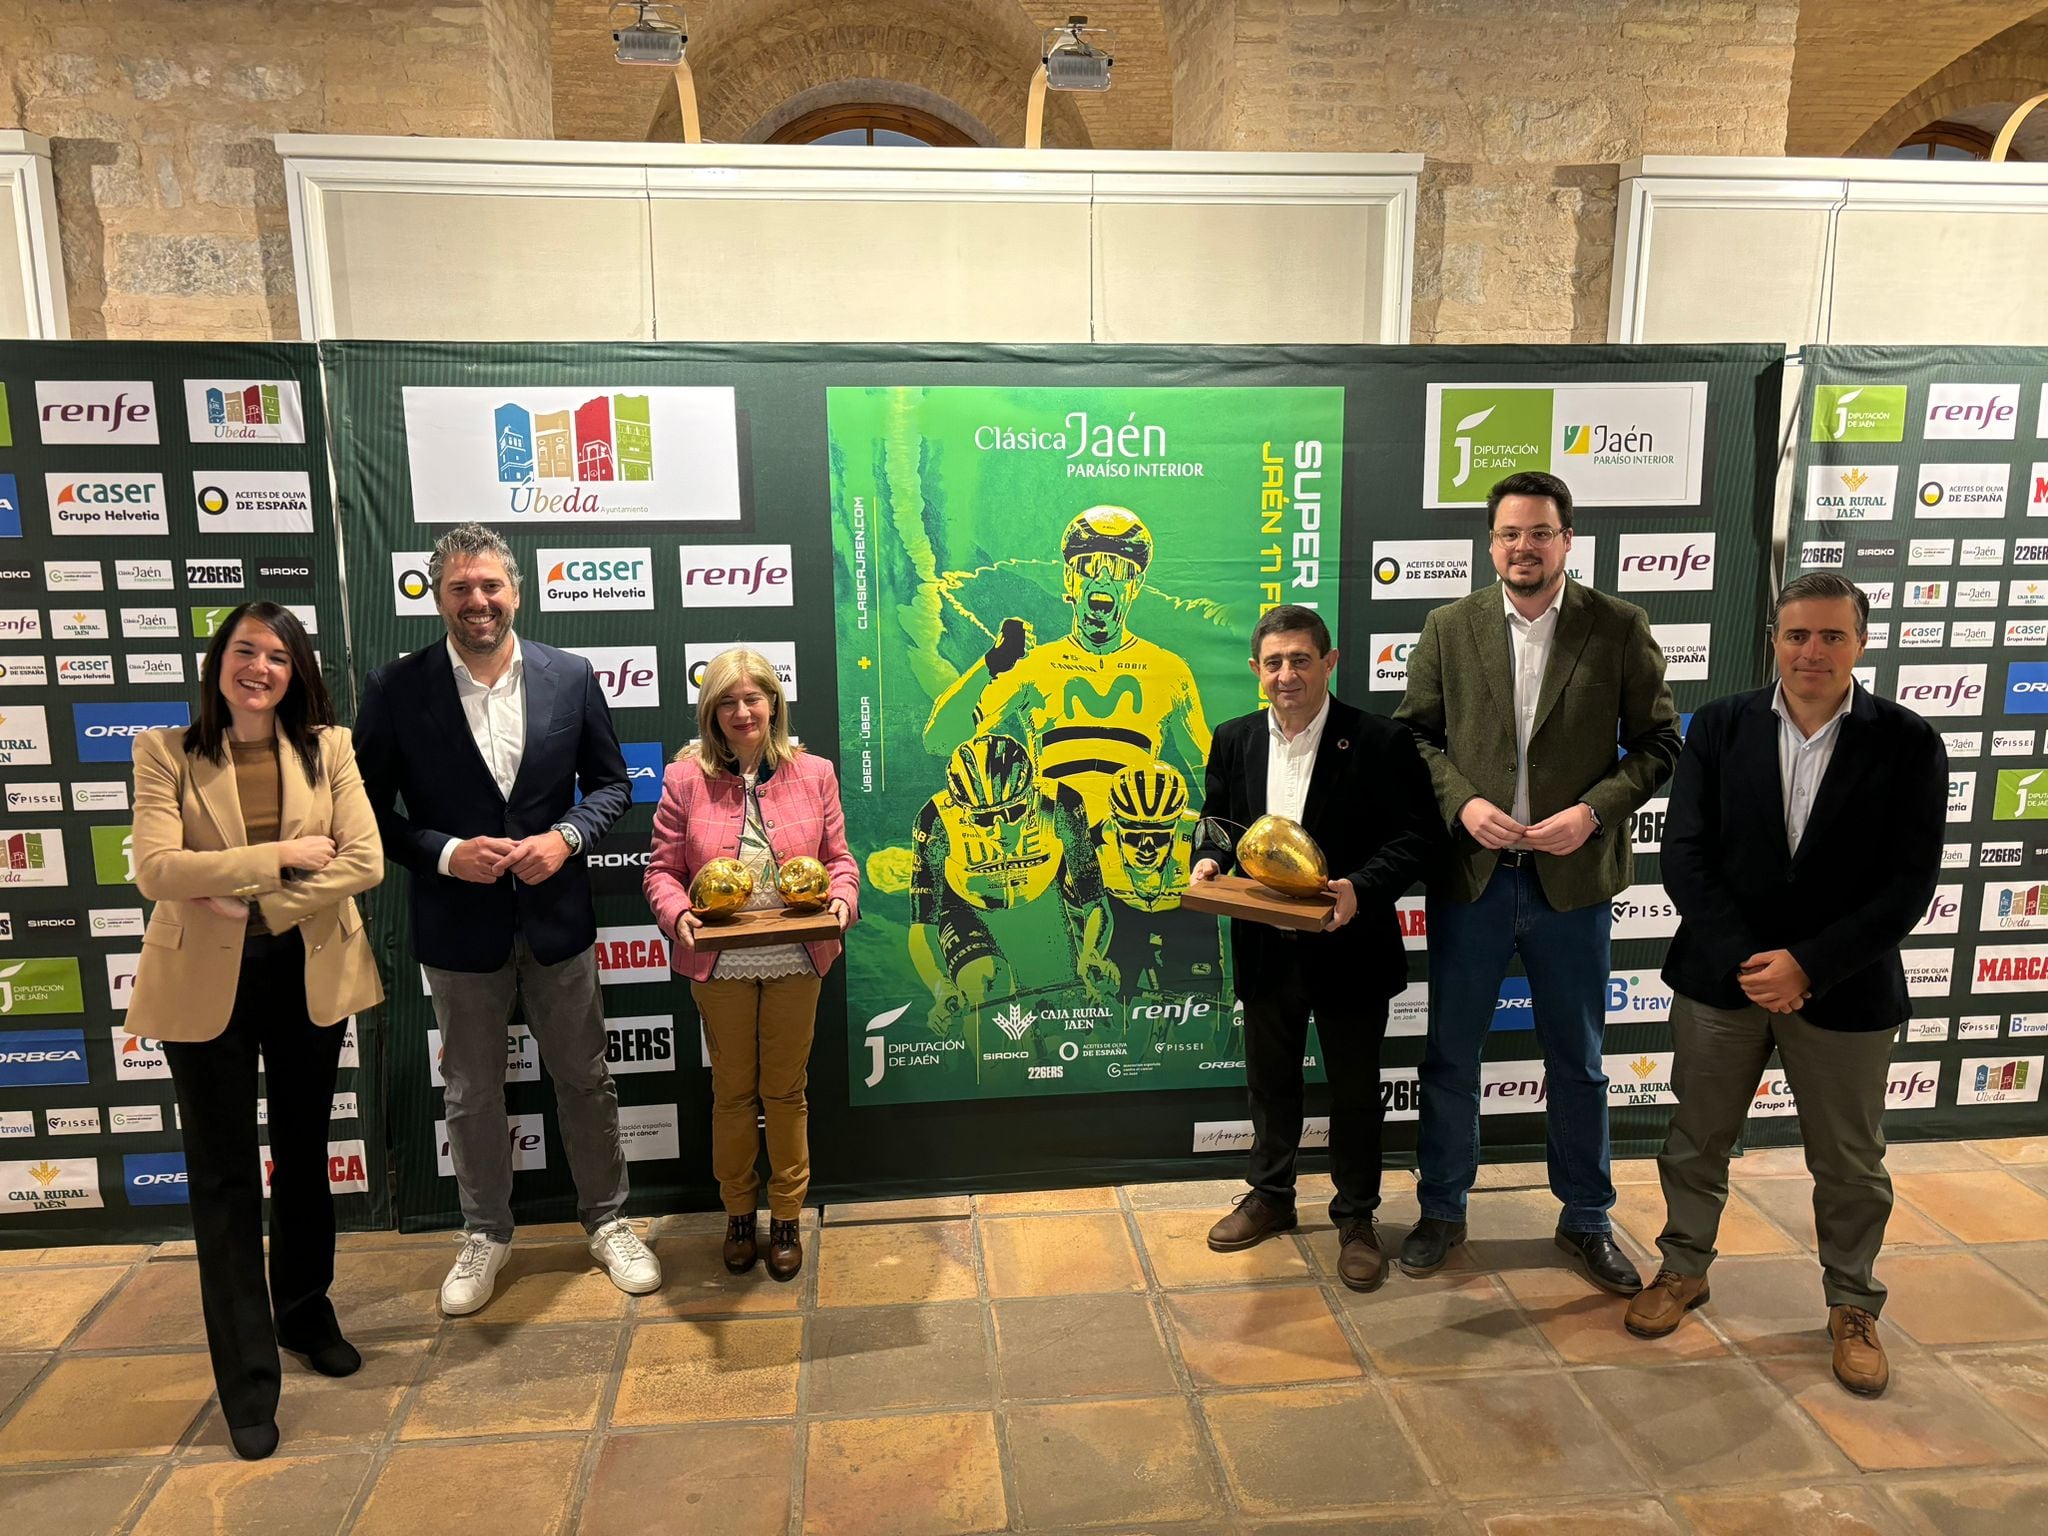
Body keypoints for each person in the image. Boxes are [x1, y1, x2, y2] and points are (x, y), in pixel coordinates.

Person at [1627, 572, 1944, 1397]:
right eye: (1798, 634)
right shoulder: (1722, 727)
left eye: (1832, 636)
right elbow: (1686, 856)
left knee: (1849, 1163)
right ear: (1774, 638)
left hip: (1847, 990)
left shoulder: (1910, 743)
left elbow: (1907, 886)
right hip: (1720, 981)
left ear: (1861, 643)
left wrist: (1810, 964)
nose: (1812, 651)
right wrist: (1753, 961)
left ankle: (1853, 1305)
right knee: (1696, 1138)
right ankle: (1682, 1268)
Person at [355, 521, 658, 1315]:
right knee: (470, 1093)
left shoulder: (570, 675)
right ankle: (485, 1232)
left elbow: (613, 786)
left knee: (586, 1080)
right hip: (458, 926)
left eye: (490, 585)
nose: (478, 601)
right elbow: (364, 811)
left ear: (515, 591)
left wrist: (566, 838)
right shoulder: (398, 687)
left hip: (558, 919)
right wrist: (447, 853)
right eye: (461, 588)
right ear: (437, 597)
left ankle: (609, 1220)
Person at [1394, 470, 1680, 1295]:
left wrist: (1592, 813)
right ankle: (1443, 1210)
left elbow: (1660, 745)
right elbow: (1414, 740)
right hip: (1473, 879)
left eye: (1541, 532)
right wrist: (1464, 804)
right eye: (1510, 533)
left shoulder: (1619, 627)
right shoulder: (1448, 628)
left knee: (1581, 1063)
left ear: (1567, 541)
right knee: (1450, 1056)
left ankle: (1587, 1218)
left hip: (1573, 883)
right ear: (1491, 545)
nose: (1525, 546)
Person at [129, 602, 385, 1462]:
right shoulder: (166, 751)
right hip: (206, 981)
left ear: (295, 670)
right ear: (219, 661)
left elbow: (365, 859)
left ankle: (305, 1314)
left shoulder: (332, 747)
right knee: (226, 1176)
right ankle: (246, 1380)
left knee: (306, 1155)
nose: (260, 668)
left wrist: (253, 898)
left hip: (305, 969)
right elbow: (156, 868)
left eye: (278, 656)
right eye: (246, 651)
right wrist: (277, 857)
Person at [1192, 604, 1441, 1291]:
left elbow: (1417, 837)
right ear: (1255, 672)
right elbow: (1218, 821)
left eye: (1300, 659)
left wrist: (1362, 887)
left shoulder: (1381, 740)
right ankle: (1270, 1195)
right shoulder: (1233, 737)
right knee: (1271, 1085)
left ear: (1330, 663)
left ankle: (1357, 1217)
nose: (1286, 674)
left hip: (1350, 948)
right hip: (1265, 950)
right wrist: (1209, 860)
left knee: (1357, 1092)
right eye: (1272, 663)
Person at [643, 648, 858, 1281]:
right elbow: (662, 871)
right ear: (711, 712)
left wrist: (842, 902)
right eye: (728, 702)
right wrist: (677, 914)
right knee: (733, 1094)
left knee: (785, 1091)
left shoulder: (814, 773)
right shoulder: (685, 780)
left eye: (752, 698)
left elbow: (841, 862)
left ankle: (787, 1215)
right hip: (719, 965)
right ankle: (739, 1214)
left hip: (797, 956)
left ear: (773, 704)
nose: (742, 712)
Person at [923, 506, 1212, 826]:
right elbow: (939, 740)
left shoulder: (1169, 670)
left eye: (1117, 569)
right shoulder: (1034, 666)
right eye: (1088, 566)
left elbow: (1210, 775)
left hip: (1135, 849)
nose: (1102, 580)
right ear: (1069, 577)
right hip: (1052, 851)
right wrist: (993, 663)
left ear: (1136, 584)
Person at [908, 732, 1119, 1035]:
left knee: (1068, 1014)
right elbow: (922, 928)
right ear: (962, 811)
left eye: (1013, 812)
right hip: (966, 907)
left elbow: (1095, 902)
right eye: (983, 819)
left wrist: (1092, 954)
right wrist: (942, 990)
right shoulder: (936, 819)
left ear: (1033, 792)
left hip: (1041, 899)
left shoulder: (1060, 803)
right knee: (985, 981)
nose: (999, 831)